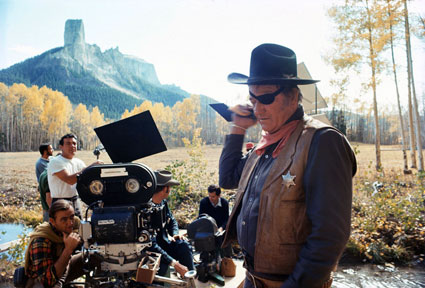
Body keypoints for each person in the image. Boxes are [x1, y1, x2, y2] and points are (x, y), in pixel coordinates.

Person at [219, 43, 357, 288]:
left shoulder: (322, 141)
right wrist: (238, 127)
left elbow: (329, 236)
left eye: (266, 99)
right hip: (252, 277)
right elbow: (228, 178)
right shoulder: (267, 142)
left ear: (293, 95)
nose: (258, 109)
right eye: (253, 100)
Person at [24, 200, 87, 287]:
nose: (70, 223)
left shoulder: (73, 225)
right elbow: (47, 281)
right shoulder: (41, 241)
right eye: (64, 219)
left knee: (96, 255)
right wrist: (68, 250)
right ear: (52, 221)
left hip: (62, 269)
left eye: (71, 217)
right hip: (41, 282)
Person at [148, 170, 194, 278]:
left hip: (164, 244)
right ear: (166, 189)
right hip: (153, 252)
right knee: (161, 270)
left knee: (184, 246)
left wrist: (174, 233)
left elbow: (171, 219)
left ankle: (190, 278)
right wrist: (175, 264)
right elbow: (151, 245)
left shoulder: (162, 203)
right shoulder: (146, 210)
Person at [47, 133, 101, 218]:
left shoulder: (78, 162)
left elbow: (88, 180)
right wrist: (90, 168)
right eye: (68, 143)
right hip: (60, 202)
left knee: (78, 228)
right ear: (61, 147)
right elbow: (70, 180)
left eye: (74, 143)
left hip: (75, 201)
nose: (72, 146)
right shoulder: (55, 162)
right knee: (62, 230)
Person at [35, 143, 54, 222]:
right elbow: (49, 178)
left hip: (49, 189)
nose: (53, 150)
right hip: (46, 189)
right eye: (51, 149)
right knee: (47, 210)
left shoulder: (50, 160)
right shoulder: (41, 164)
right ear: (45, 151)